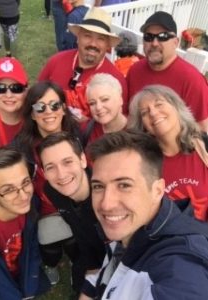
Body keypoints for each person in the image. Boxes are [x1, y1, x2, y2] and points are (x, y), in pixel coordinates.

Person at [80, 130, 208, 300]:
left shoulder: (180, 265)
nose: (106, 204)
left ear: (157, 190)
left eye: (124, 185)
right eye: (98, 186)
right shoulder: (133, 229)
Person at [12, 81, 82, 287]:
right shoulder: (23, 146)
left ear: (63, 109)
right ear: (32, 114)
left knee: (75, 243)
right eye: (40, 107)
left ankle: (76, 262)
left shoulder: (78, 135)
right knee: (50, 244)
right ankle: (51, 264)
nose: (48, 112)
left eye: (54, 105)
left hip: (76, 204)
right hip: (44, 210)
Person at [37, 131, 106, 296]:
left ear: (82, 160)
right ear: (44, 173)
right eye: (50, 167)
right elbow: (77, 226)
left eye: (67, 162)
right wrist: (90, 266)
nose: (61, 175)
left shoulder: (107, 193)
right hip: (88, 250)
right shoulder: (52, 191)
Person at [128, 84, 208, 221]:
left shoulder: (204, 144)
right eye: (145, 113)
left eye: (159, 104)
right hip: (179, 240)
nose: (153, 113)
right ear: (144, 126)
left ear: (177, 107)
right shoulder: (145, 164)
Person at [0, 146, 50, 300]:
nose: (23, 195)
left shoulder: (32, 206)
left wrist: (29, 290)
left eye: (26, 182)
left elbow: (32, 249)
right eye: (8, 190)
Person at [38, 7, 128, 122]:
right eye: (87, 36)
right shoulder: (56, 61)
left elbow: (118, 125)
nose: (93, 44)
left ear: (107, 45)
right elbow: (36, 98)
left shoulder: (116, 80)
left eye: (100, 39)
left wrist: (88, 124)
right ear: (78, 37)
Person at [126, 11, 208, 132]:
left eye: (163, 37)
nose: (154, 43)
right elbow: (129, 114)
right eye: (148, 37)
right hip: (138, 142)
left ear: (175, 42)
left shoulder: (192, 79)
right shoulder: (135, 71)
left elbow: (202, 128)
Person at [0, 57, 28, 154]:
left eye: (16, 88)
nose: (8, 95)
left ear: (25, 90)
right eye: (0, 88)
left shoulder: (37, 117)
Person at [82, 73, 127, 147]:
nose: (98, 107)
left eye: (105, 99)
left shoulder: (137, 130)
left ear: (120, 100)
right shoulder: (85, 130)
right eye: (92, 103)